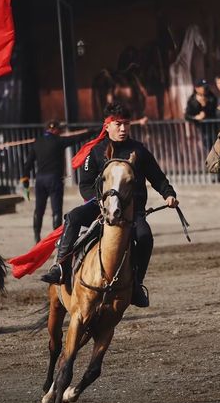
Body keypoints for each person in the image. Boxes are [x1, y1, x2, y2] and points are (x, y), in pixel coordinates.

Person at [41, 104, 178, 306]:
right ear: (107, 126)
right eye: (118, 124)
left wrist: (169, 193)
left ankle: (136, 285)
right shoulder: (96, 151)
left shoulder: (139, 150)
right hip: (101, 206)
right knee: (72, 217)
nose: (123, 129)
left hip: (133, 211)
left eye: (126, 124)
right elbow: (85, 184)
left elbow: (157, 177)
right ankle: (61, 267)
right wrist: (99, 202)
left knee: (145, 236)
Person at [21, 120, 89, 243]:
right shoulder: (59, 141)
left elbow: (28, 163)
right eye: (59, 129)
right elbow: (76, 139)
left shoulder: (38, 142)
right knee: (56, 210)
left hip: (40, 180)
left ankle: (37, 237)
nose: (61, 131)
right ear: (54, 129)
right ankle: (56, 239)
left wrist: (25, 179)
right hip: (54, 179)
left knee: (39, 209)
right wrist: (91, 133)